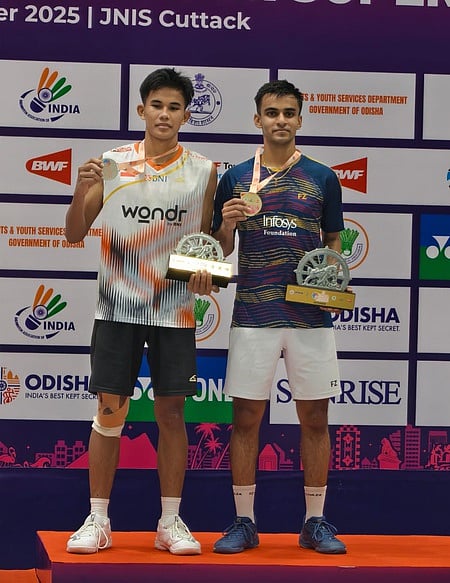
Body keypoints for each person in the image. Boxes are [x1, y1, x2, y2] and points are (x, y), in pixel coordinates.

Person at [65, 68, 217, 556]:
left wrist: (206, 273)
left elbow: (207, 245)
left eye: (174, 107)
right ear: (142, 110)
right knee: (110, 410)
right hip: (117, 307)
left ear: (186, 115)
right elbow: (73, 232)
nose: (164, 114)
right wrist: (79, 189)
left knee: (171, 414)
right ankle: (98, 519)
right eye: (157, 105)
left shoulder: (204, 170)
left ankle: (170, 522)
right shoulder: (112, 163)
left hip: (174, 309)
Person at [211, 80, 347, 555]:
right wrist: (228, 222)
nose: (281, 120)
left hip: (309, 317)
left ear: (300, 119)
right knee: (246, 418)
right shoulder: (235, 178)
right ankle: (244, 521)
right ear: (258, 120)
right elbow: (219, 250)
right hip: (253, 313)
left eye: (289, 113)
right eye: (272, 113)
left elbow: (333, 243)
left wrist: (331, 286)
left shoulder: (322, 178)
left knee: (315, 417)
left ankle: (315, 521)